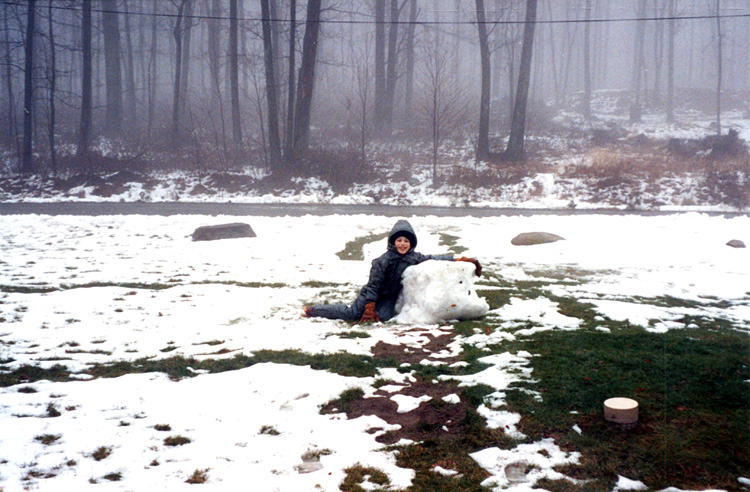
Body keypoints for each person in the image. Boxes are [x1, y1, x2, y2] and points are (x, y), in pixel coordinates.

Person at [304, 219, 481, 322]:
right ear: (393, 242)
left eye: (406, 241)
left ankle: (375, 311)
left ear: (411, 243)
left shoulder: (414, 258)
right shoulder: (382, 261)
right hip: (371, 294)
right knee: (352, 313)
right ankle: (315, 310)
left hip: (389, 297)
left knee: (384, 318)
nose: (402, 244)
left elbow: (434, 257)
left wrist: (459, 259)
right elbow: (373, 285)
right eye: (399, 240)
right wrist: (369, 306)